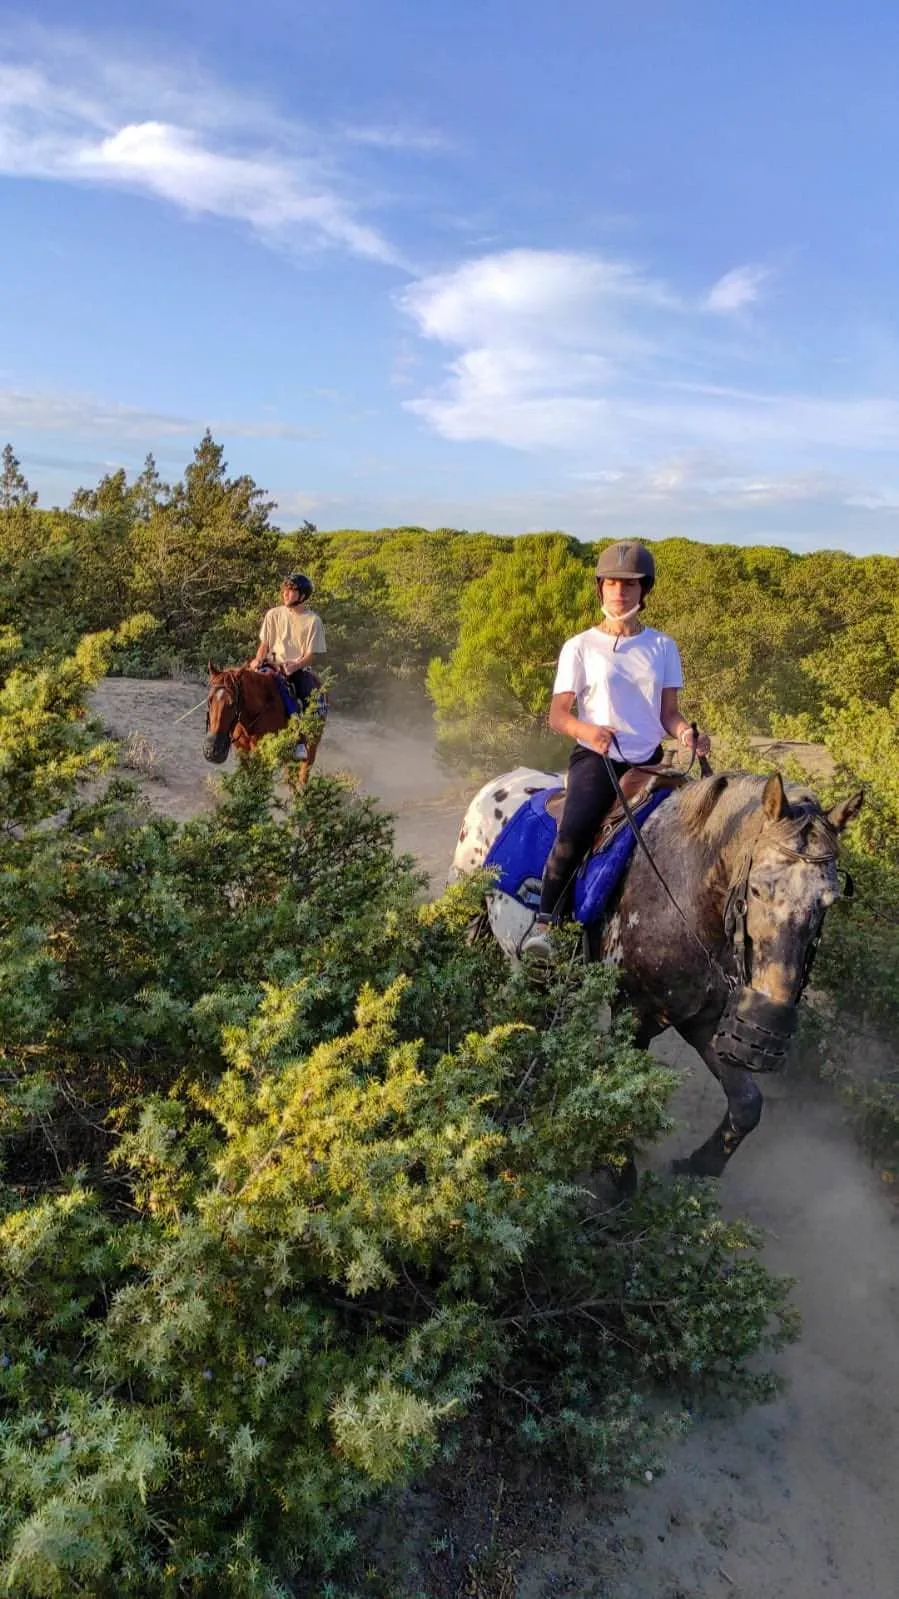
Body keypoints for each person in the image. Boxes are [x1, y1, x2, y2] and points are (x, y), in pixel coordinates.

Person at [520, 541, 711, 962]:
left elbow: (669, 714)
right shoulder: (580, 646)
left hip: (650, 762)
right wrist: (587, 731)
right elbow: (558, 715)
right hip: (597, 758)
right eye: (611, 583)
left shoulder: (663, 646)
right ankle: (547, 924)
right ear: (600, 588)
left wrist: (687, 734)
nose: (619, 592)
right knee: (574, 833)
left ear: (644, 590)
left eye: (629, 584)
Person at [250, 574, 326, 758]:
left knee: (309, 699)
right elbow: (264, 645)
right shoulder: (273, 614)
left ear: (302, 596)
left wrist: (296, 665)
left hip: (297, 669)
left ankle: (301, 740)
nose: (285, 593)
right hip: (271, 665)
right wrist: (258, 659)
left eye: (291, 590)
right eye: (285, 589)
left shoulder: (313, 621)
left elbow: (310, 655)